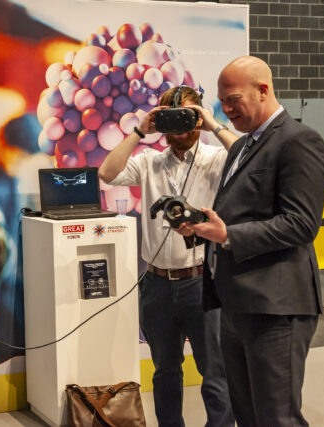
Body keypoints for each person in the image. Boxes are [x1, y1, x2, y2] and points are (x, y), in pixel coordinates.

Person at [185, 56, 324, 426]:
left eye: (233, 98)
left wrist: (229, 235)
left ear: (263, 90)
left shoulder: (299, 141)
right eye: (222, 101)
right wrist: (201, 226)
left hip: (276, 309)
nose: (226, 108)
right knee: (247, 414)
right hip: (237, 303)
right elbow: (242, 213)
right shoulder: (241, 147)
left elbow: (300, 224)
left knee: (276, 416)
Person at [99, 86, 236, 427]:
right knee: (165, 371)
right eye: (170, 118)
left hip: (202, 280)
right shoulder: (149, 162)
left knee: (215, 372)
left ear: (198, 118)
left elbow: (249, 156)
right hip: (157, 284)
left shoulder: (215, 159)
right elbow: (106, 173)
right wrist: (140, 130)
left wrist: (213, 125)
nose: (180, 127)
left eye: (187, 117)